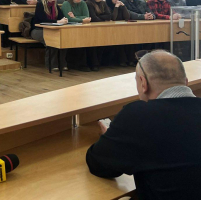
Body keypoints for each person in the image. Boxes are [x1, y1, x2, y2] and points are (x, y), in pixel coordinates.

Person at [86, 50, 201, 199]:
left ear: (143, 83)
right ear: (186, 81)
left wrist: (110, 138)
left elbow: (99, 165)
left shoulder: (138, 115)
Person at [31, 0, 68, 70]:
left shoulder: (55, 5)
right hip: (38, 30)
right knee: (52, 40)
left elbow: (61, 17)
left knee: (63, 39)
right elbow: (43, 20)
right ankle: (52, 64)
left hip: (52, 29)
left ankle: (62, 63)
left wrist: (65, 20)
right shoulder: (40, 5)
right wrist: (57, 21)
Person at [105, 0, 134, 66]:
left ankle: (131, 60)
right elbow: (113, 18)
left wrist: (123, 6)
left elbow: (127, 17)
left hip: (122, 28)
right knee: (119, 42)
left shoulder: (120, 6)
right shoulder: (107, 6)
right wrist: (116, 7)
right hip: (112, 30)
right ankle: (122, 61)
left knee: (130, 41)